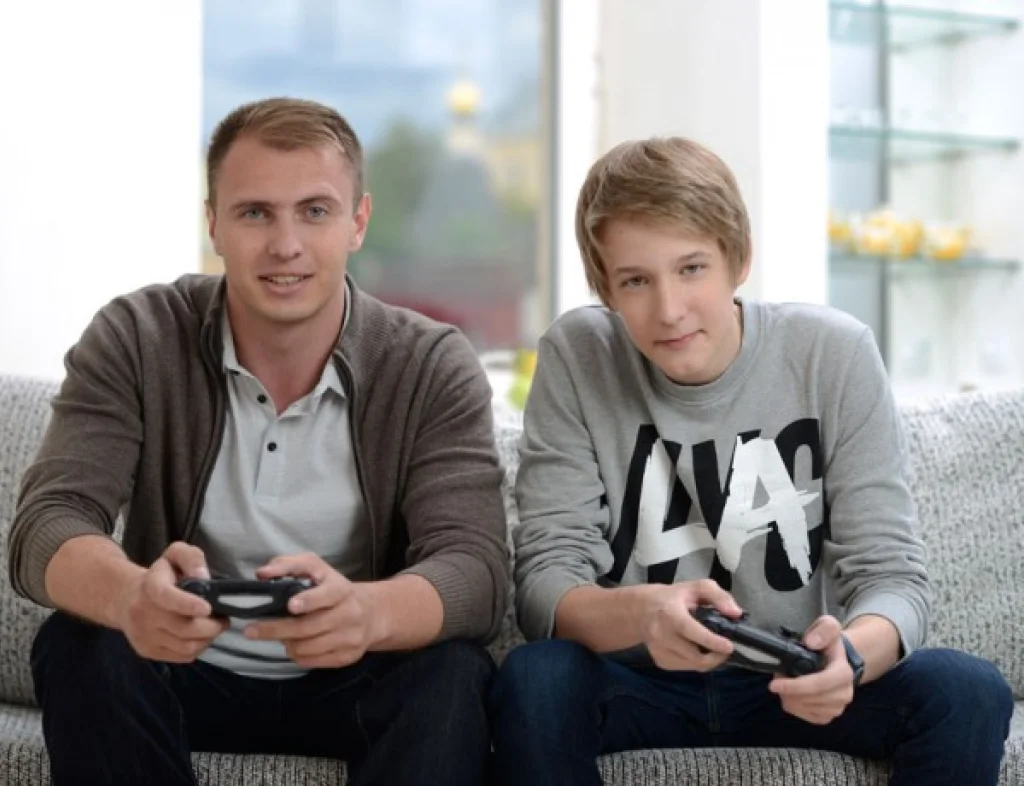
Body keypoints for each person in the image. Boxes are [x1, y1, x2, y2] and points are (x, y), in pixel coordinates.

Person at [8, 96, 509, 786]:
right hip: (180, 665)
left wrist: (367, 613)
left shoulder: (429, 363)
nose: (285, 245)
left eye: (315, 210)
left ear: (358, 221)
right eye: (254, 213)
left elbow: (476, 569)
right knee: (78, 644)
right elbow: (47, 522)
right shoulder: (136, 335)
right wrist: (130, 597)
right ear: (213, 222)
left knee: (452, 673)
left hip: (354, 669)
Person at [488, 136, 1013, 786]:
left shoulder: (833, 353)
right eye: (636, 281)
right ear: (605, 288)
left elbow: (892, 578)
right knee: (535, 680)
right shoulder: (578, 355)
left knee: (967, 689)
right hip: (638, 679)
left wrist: (848, 658)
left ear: (739, 260)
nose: (669, 310)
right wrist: (645, 615)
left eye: (691, 269)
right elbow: (546, 581)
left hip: (790, 677)